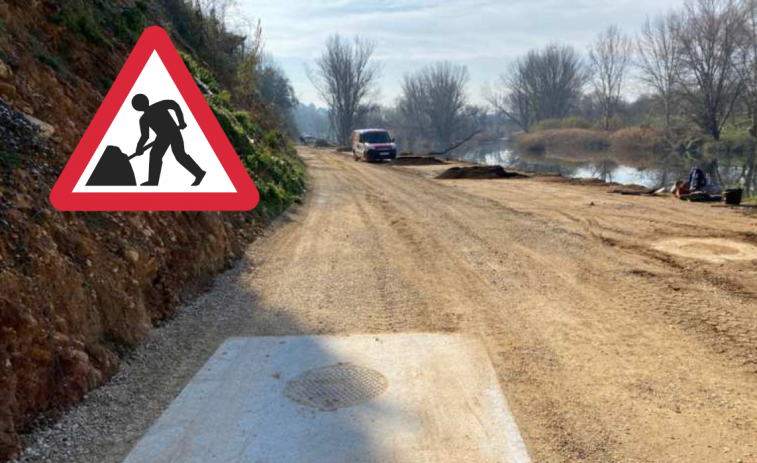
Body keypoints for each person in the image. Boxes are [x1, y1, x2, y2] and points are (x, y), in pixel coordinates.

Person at [132, 94, 206, 186]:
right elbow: (145, 136)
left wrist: (181, 121)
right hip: (162, 137)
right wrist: (139, 148)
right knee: (155, 155)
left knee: (179, 155)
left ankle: (199, 173)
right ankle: (153, 181)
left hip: (173, 132)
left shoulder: (158, 106)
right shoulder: (144, 119)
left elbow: (174, 105)